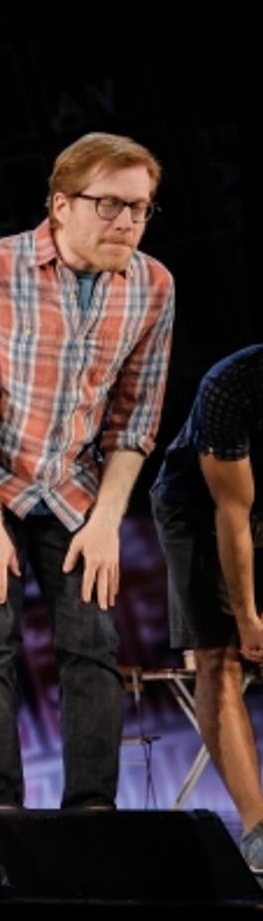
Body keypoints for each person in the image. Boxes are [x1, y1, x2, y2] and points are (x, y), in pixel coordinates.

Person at [0, 132, 175, 810]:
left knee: (93, 644)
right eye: (110, 205)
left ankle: (92, 815)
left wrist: (107, 524)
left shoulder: (153, 286)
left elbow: (135, 422)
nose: (126, 222)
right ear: (61, 205)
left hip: (77, 488)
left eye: (140, 208)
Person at [151, 344, 263, 871]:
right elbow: (233, 515)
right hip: (200, 509)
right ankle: (258, 828)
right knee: (222, 658)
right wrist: (248, 618)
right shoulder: (233, 385)